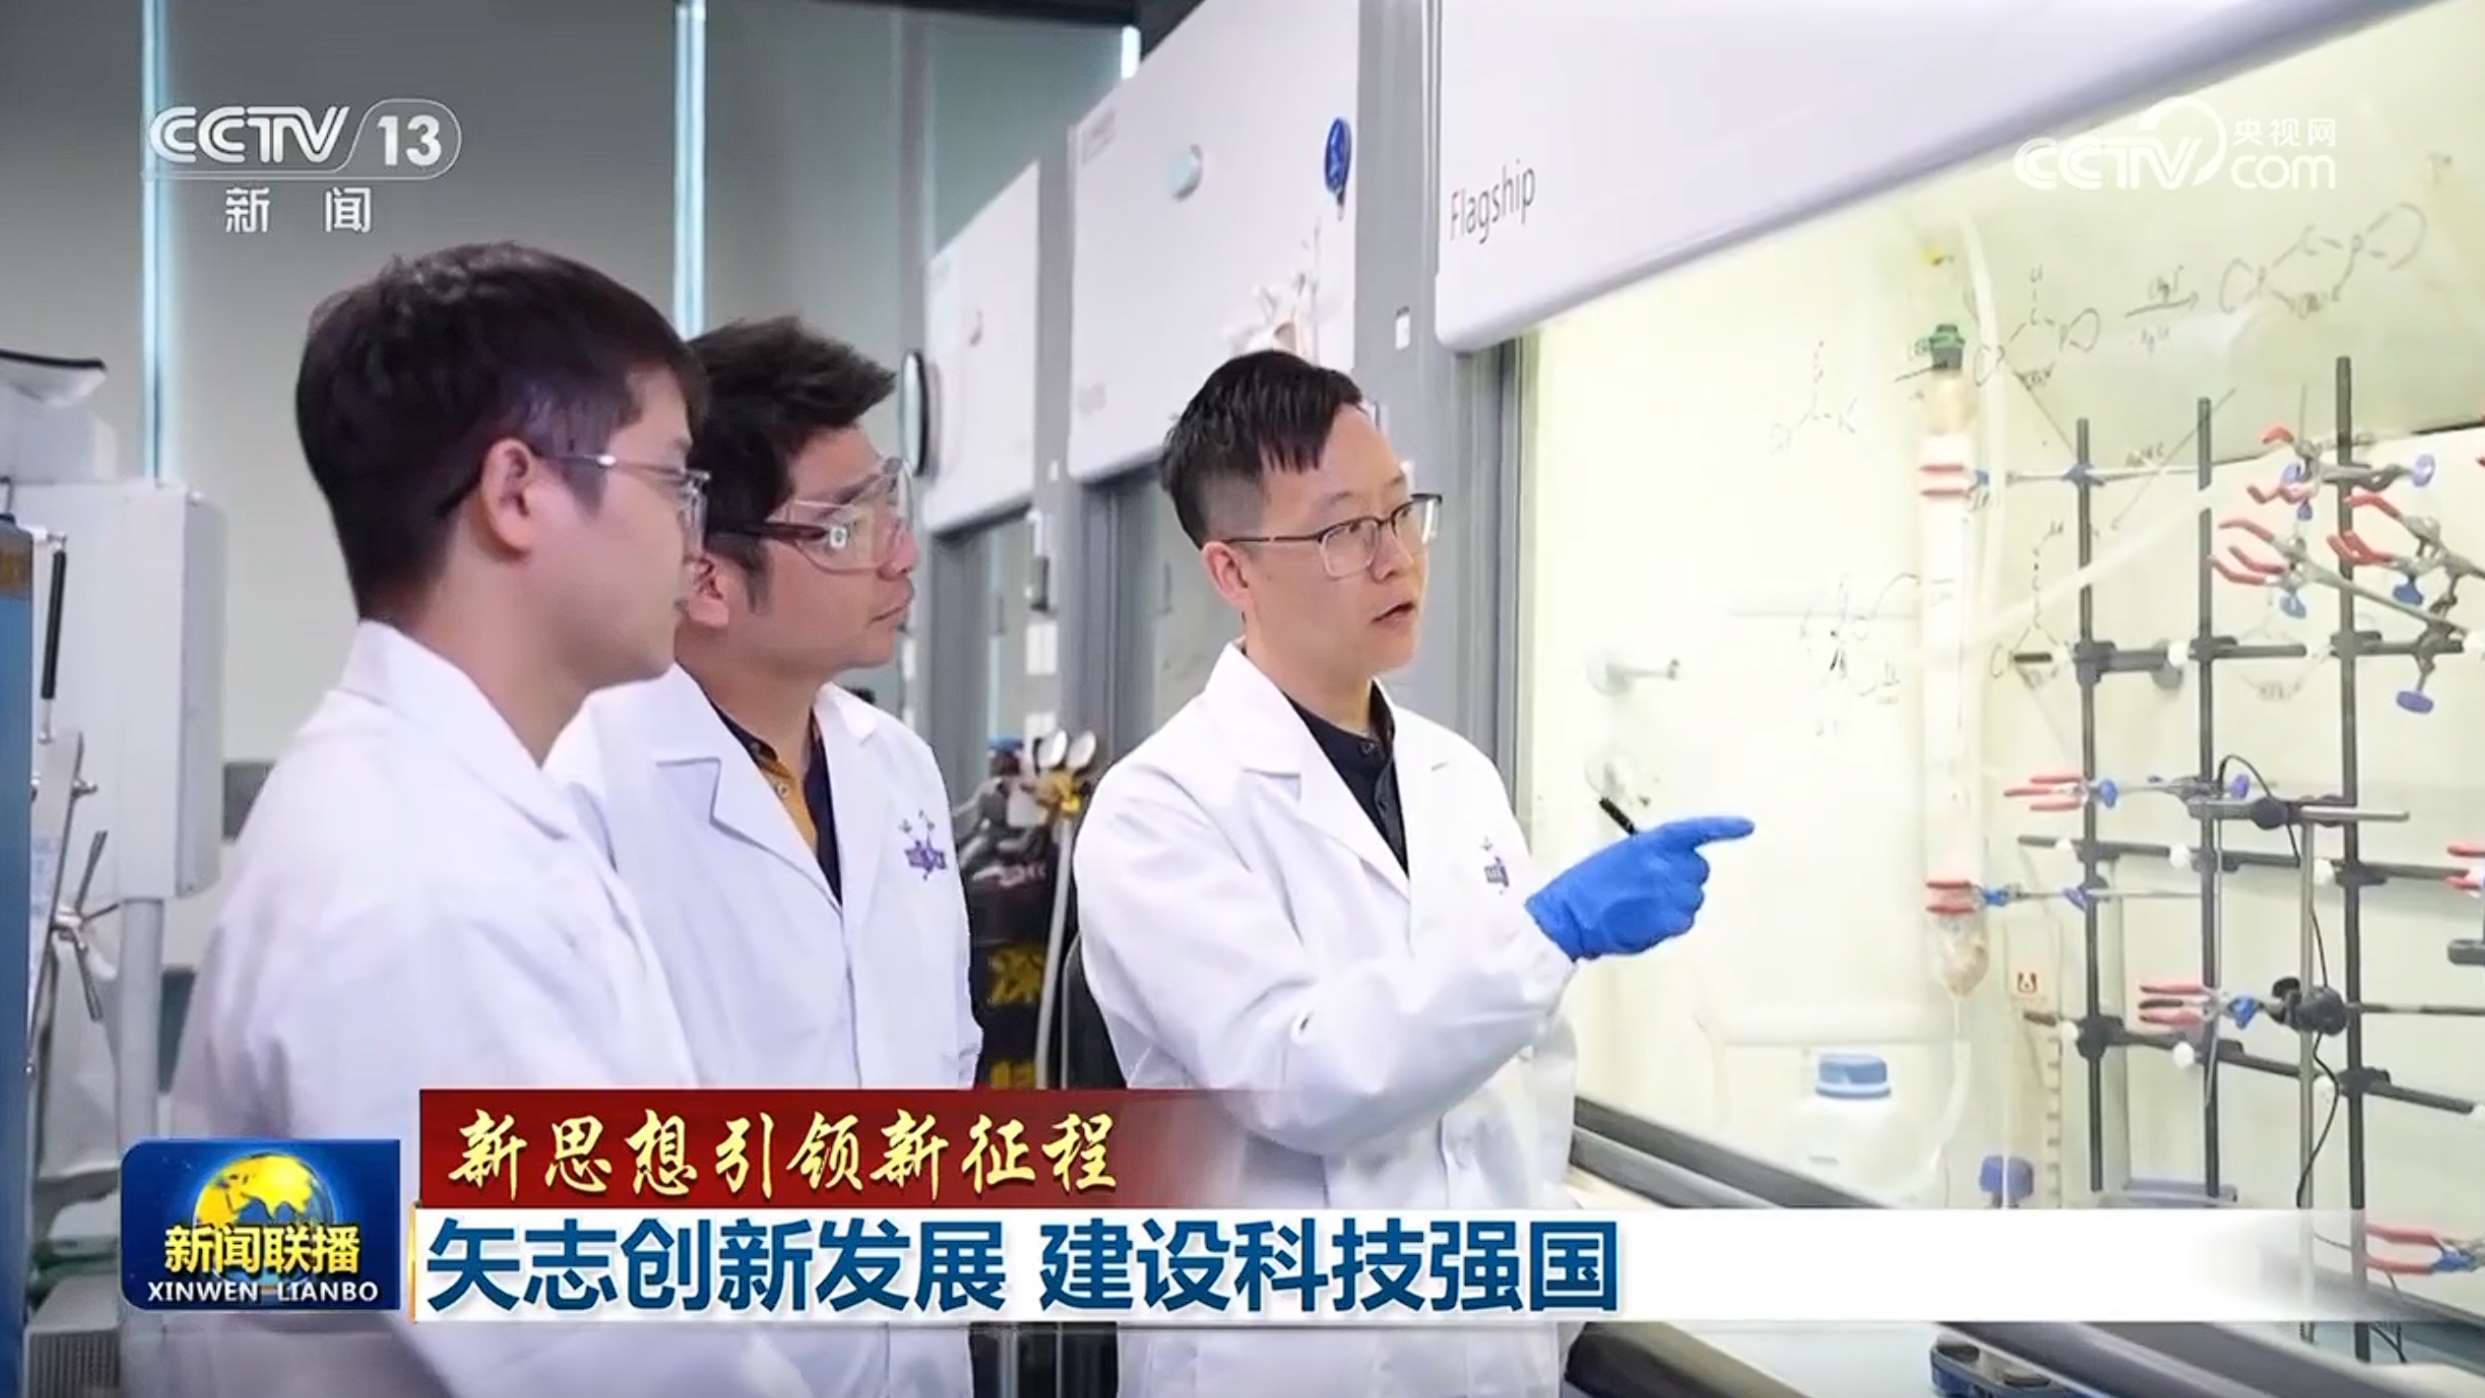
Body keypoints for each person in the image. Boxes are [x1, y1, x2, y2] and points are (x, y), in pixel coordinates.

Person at [166, 244, 816, 1398]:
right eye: (673, 480)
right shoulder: (418, 878)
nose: (694, 536)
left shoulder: (444, 808)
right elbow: (616, 1360)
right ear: (517, 493)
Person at [1072, 350, 1753, 1398]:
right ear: (1232, 573)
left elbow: (1526, 1079)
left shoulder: (1456, 776)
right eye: (1345, 530)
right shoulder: (1160, 809)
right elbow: (1296, 1077)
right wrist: (1549, 933)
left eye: (1401, 511)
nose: (1396, 558)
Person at [546, 318, 977, 1396]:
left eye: (889, 502)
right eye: (845, 527)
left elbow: (940, 1063)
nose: (898, 552)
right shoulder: (581, 791)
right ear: (705, 579)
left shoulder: (896, 767)